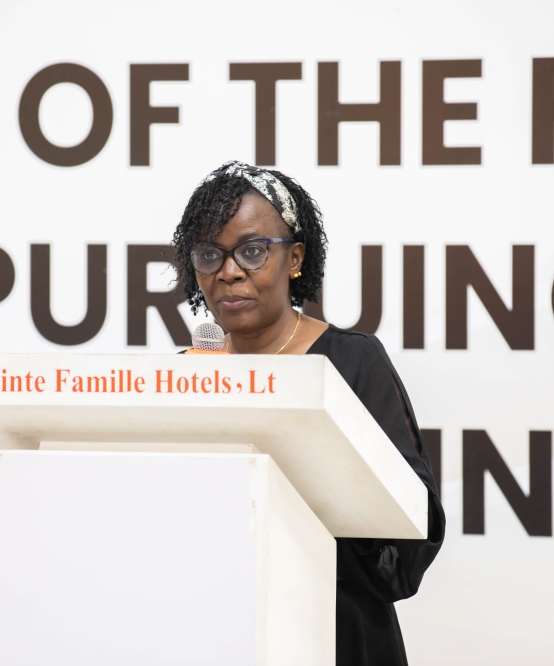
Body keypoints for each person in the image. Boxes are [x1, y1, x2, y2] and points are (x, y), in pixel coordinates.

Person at [171, 161, 445, 666]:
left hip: (336, 632)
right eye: (210, 255)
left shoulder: (352, 363)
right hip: (209, 630)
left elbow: (409, 539)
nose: (229, 271)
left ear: (294, 258)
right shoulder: (185, 374)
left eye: (252, 252)